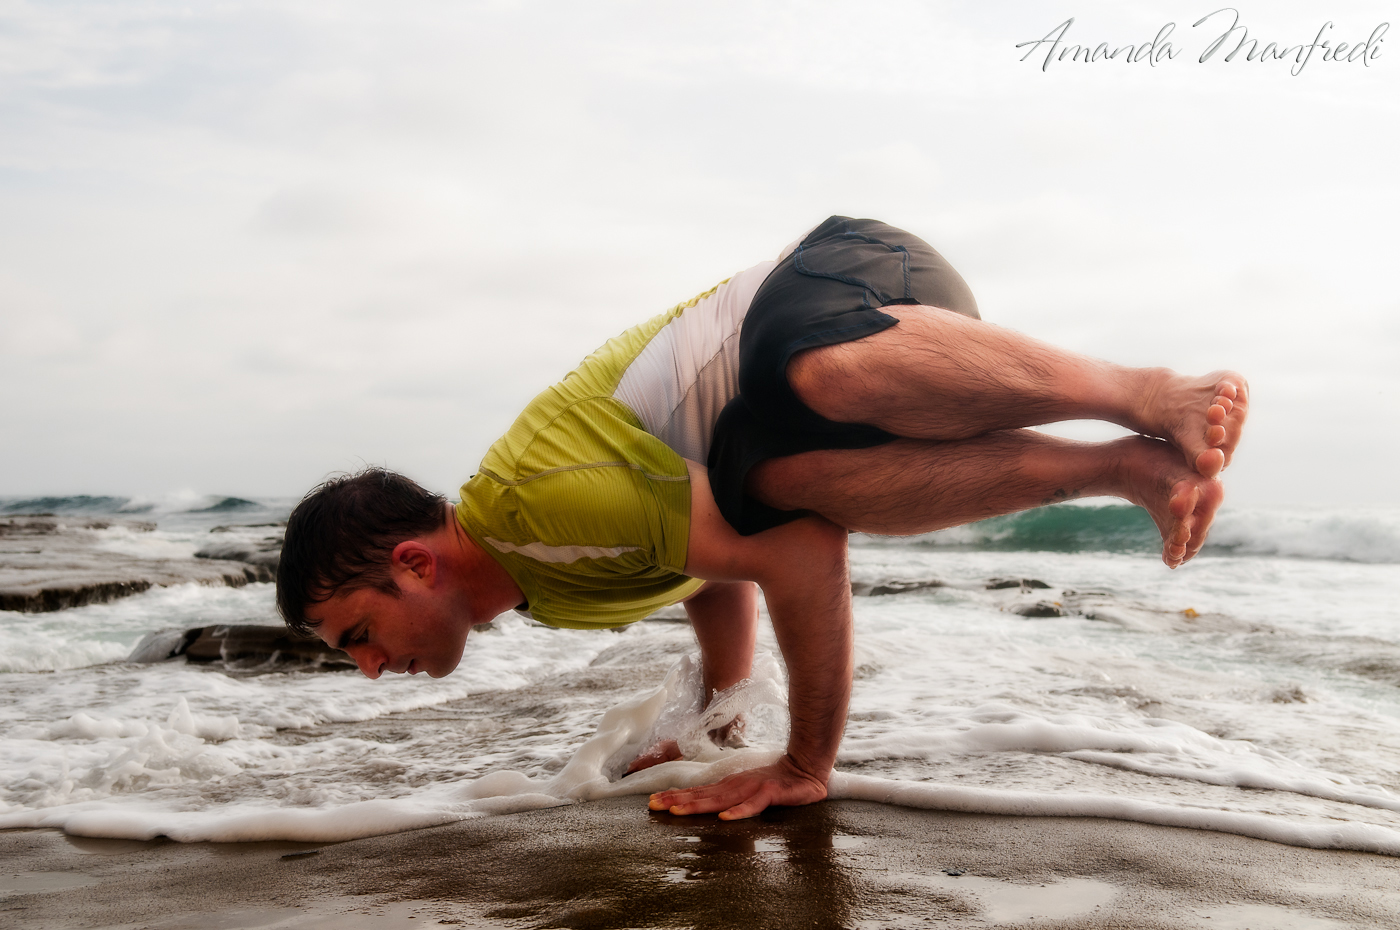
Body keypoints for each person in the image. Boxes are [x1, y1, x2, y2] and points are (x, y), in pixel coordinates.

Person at [276, 217, 1247, 821]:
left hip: (858, 283)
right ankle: (1125, 468)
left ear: (412, 562)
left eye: (355, 634)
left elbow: (789, 562)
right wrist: (713, 717)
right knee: (791, 482)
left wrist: (802, 765)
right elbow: (715, 567)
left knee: (810, 388)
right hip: (849, 398)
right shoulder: (538, 590)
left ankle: (1142, 394)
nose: (366, 667)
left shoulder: (530, 506)